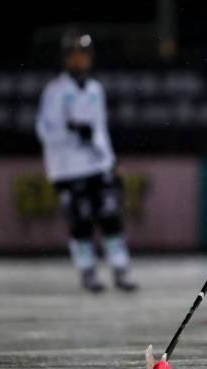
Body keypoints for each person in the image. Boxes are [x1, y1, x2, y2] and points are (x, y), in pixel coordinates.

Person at [35, 31, 137, 293]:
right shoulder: (55, 91)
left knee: (110, 215)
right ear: (66, 59)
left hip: (95, 164)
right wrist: (70, 131)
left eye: (84, 55)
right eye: (75, 55)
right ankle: (88, 271)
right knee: (80, 222)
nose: (80, 60)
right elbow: (44, 130)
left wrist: (110, 162)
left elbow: (100, 129)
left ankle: (120, 269)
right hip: (68, 168)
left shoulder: (95, 89)